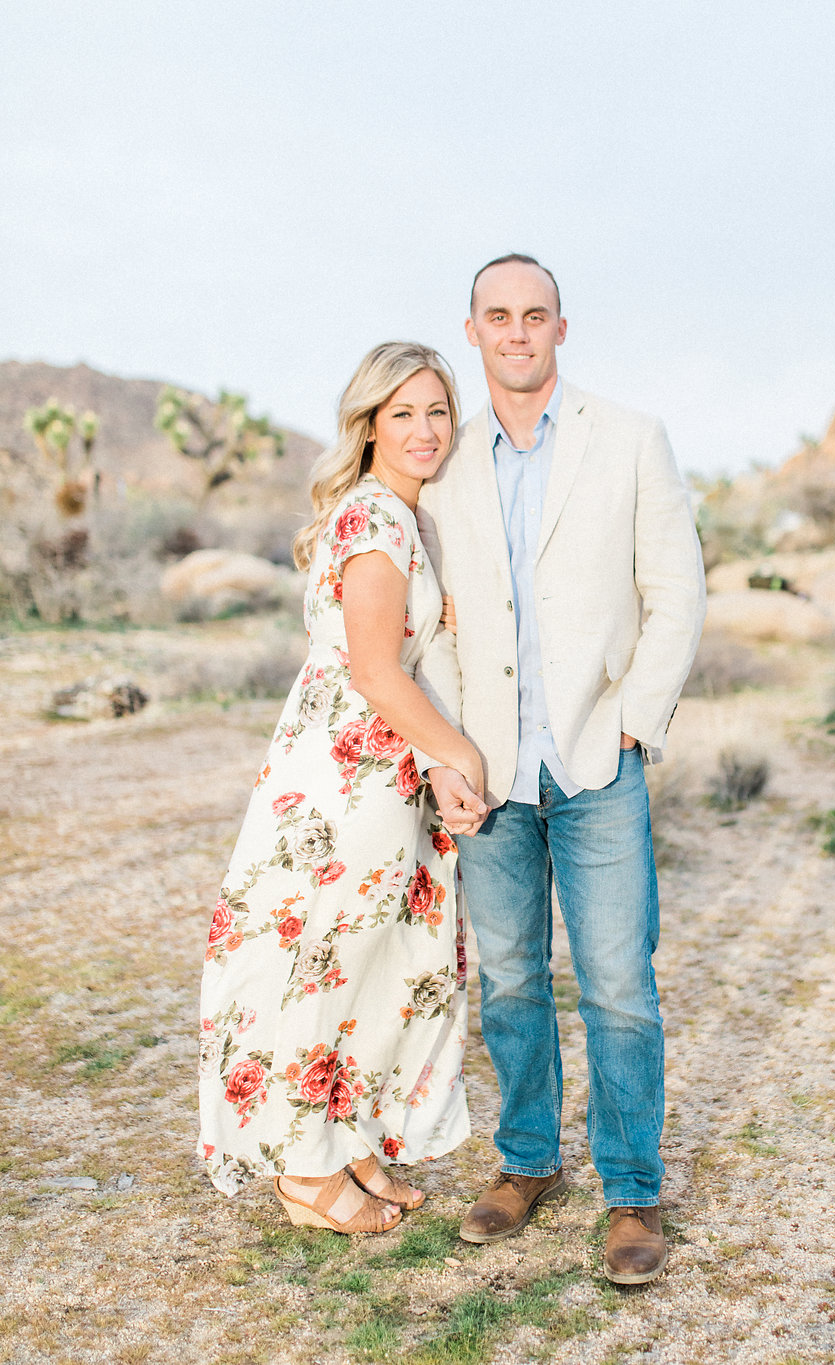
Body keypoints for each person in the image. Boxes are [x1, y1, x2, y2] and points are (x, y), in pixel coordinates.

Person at [413, 255, 706, 1283]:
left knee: (620, 984)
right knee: (508, 981)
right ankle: (527, 1162)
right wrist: (451, 746)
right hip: (487, 772)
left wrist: (634, 718)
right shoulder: (440, 463)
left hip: (595, 761)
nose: (518, 332)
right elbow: (431, 618)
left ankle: (630, 1191)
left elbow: (678, 590)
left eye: (535, 316)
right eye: (498, 317)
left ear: (560, 329)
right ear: (474, 329)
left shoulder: (628, 439)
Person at [197, 341, 484, 1235]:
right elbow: (374, 671)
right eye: (402, 413)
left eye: (437, 410)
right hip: (350, 775)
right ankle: (300, 1171)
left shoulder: (397, 513)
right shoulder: (376, 521)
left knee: (368, 962)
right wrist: (462, 755)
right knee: (322, 963)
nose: (425, 430)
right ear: (367, 427)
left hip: (372, 764)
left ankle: (347, 1137)